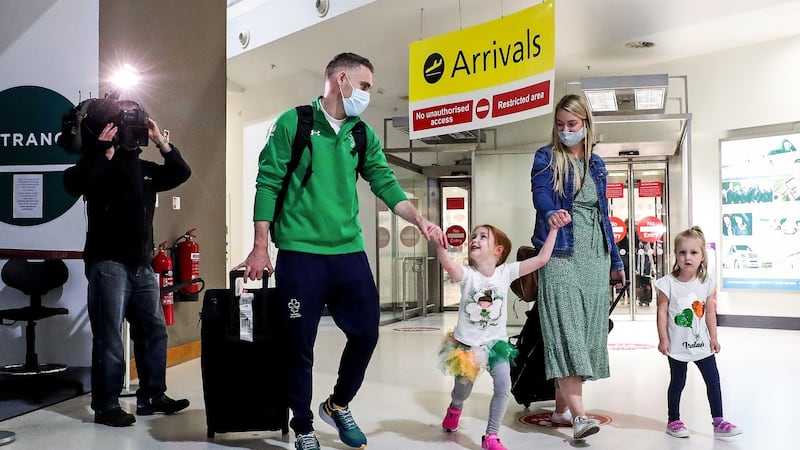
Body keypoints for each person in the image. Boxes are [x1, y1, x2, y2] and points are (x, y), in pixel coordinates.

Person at [236, 52, 445, 450]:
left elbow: (385, 182)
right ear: (341, 80)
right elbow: (268, 182)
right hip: (300, 253)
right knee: (299, 345)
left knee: (366, 333)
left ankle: (338, 404)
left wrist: (419, 219)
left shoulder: (361, 134)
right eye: (364, 85)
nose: (367, 93)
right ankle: (303, 425)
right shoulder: (294, 122)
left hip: (348, 252)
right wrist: (260, 247)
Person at [63, 97, 192, 427]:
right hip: (108, 264)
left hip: (142, 266)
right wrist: (100, 151)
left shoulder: (145, 171)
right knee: (109, 337)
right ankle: (106, 405)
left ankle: (152, 395)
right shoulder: (100, 165)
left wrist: (160, 141)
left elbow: (181, 172)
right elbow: (73, 183)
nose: (135, 135)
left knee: (153, 331)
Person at [529, 94, 625, 440]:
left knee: (584, 334)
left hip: (595, 258)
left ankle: (560, 409)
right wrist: (550, 212)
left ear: (585, 124)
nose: (566, 130)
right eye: (560, 124)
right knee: (566, 330)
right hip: (559, 254)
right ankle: (580, 417)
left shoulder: (596, 164)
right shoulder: (546, 156)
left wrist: (615, 261)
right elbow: (540, 191)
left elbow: (604, 215)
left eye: (572, 124)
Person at [437, 218, 567, 450]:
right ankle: (455, 407)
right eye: (474, 236)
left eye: (483, 237)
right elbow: (449, 266)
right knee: (462, 391)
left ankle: (491, 436)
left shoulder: (506, 272)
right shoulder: (468, 275)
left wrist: (554, 229)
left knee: (503, 386)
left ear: (498, 250)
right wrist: (440, 245)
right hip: (468, 348)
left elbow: (541, 259)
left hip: (496, 345)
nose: (475, 239)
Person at [654, 226, 742, 439]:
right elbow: (662, 312)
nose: (687, 257)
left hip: (702, 344)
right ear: (675, 255)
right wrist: (663, 339)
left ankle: (718, 421)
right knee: (678, 381)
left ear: (702, 256)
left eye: (693, 252)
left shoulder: (707, 282)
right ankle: (673, 420)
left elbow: (710, 312)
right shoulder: (667, 283)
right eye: (682, 252)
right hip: (677, 344)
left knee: (713, 380)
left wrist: (714, 337)